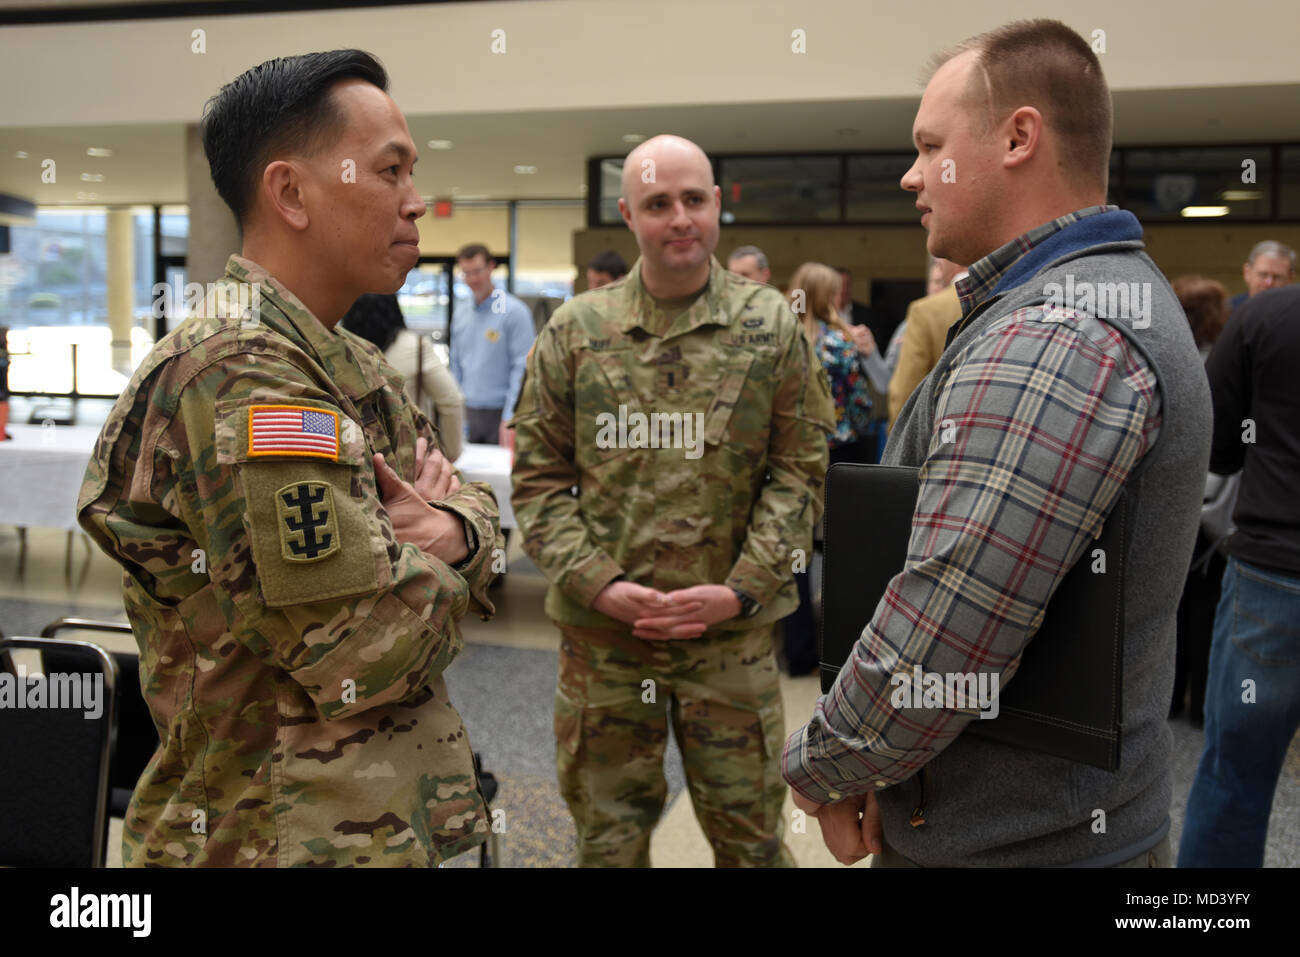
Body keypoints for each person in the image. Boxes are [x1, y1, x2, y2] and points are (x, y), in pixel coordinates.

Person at [783, 19, 1212, 868]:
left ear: (1019, 136)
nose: (911, 176)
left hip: (1019, 845)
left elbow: (949, 628)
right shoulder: (1091, 301)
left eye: (929, 146)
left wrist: (825, 764)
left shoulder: (1061, 329)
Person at [76, 50, 503, 867]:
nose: (417, 203)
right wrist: (463, 545)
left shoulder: (345, 361)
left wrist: (447, 529)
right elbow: (364, 651)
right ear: (291, 192)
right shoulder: (239, 373)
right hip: (265, 836)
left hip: (365, 823)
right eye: (390, 172)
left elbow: (466, 499)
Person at [510, 133, 835, 867]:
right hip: (606, 644)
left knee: (751, 842)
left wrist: (741, 589)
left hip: (729, 639)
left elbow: (800, 469)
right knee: (607, 842)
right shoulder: (576, 330)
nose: (679, 217)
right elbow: (535, 480)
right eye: (658, 204)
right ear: (629, 215)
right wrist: (601, 584)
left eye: (693, 199)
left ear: (718, 205)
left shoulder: (771, 324)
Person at [1179, 284, 1300, 867]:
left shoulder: (1268, 318)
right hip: (1271, 571)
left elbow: (1218, 445)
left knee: (1236, 778)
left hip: (1273, 579)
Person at [779, 261, 874, 676]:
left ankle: (795, 651)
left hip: (788, 461)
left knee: (794, 556)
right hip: (837, 460)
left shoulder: (777, 340)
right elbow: (860, 407)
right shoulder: (840, 344)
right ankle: (834, 654)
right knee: (838, 555)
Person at [1168, 276, 1230, 728]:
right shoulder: (1224, 363)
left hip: (1173, 502)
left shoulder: (1167, 357)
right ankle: (1202, 706)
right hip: (1213, 506)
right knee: (1208, 610)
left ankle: (1169, 700)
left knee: (1171, 607)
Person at [341, 292, 465, 461]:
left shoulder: (343, 349)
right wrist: (450, 453)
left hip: (357, 458)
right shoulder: (416, 347)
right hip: (410, 459)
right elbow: (451, 400)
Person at [448, 242, 535, 446]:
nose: (472, 279)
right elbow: (455, 363)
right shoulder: (460, 312)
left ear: (491, 267)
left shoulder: (514, 312)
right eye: (466, 273)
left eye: (477, 271)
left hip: (502, 411)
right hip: (468, 410)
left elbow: (522, 368)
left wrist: (510, 415)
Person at [887, 256, 965, 428]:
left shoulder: (925, 311)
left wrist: (896, 444)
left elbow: (905, 392)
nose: (938, 264)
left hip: (937, 431)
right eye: (934, 282)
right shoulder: (1015, 298)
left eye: (942, 259)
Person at [1226, 240, 1295, 311]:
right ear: (1247, 273)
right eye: (1263, 275)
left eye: (1277, 277)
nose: (1269, 283)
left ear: (1290, 278)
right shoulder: (1227, 311)